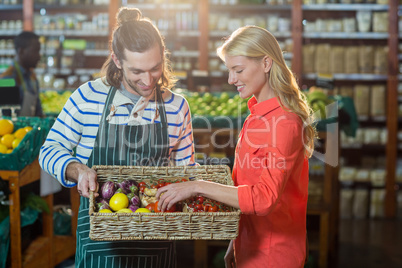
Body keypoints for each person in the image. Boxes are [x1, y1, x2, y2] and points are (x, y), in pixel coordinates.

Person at [39, 7, 195, 267]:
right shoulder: (87, 97)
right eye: (137, 72)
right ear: (117, 60)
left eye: (155, 68)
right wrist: (76, 169)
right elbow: (49, 150)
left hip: (155, 241)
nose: (148, 80)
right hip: (99, 246)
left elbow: (186, 171)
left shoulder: (177, 106)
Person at [156, 25, 316, 268]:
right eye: (229, 70)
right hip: (249, 247)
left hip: (274, 255)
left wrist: (197, 186)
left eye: (238, 70)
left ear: (266, 63)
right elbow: (246, 188)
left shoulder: (285, 123)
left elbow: (263, 199)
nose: (231, 79)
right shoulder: (255, 116)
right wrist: (236, 239)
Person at [0, 31, 43, 116]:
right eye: (36, 51)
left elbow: (38, 111)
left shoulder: (32, 76)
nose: (39, 56)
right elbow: (6, 116)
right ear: (21, 51)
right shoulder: (7, 79)